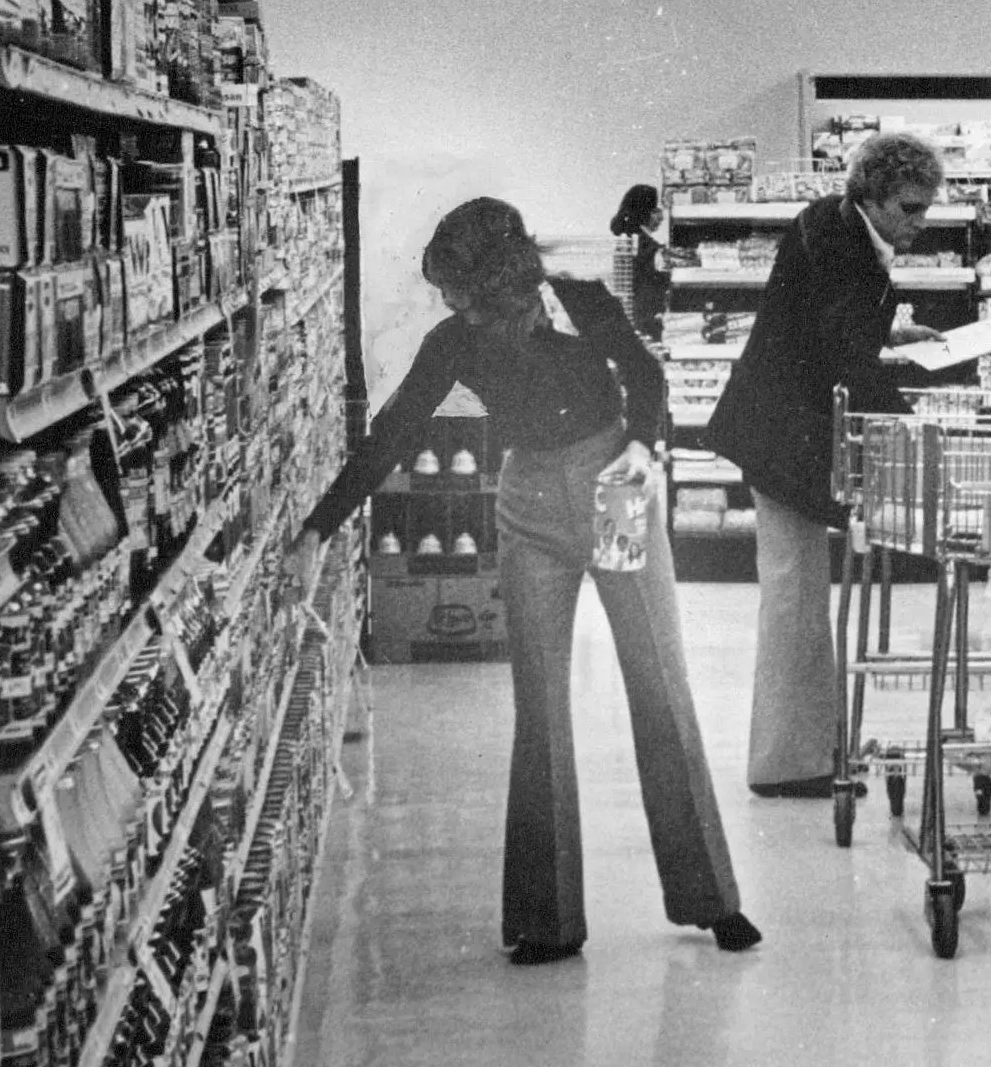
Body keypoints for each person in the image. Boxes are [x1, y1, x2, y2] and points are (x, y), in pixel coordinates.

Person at [288, 197, 759, 964]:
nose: (446, 302)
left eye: (455, 287)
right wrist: (318, 525)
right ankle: (546, 919)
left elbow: (645, 374)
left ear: (496, 278)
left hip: (615, 486)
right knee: (539, 708)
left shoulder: (581, 302)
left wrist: (644, 446)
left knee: (659, 684)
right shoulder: (454, 342)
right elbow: (396, 430)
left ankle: (713, 899)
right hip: (530, 504)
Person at [706, 134, 949, 797]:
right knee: (793, 599)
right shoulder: (850, 253)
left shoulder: (831, 222)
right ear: (871, 195)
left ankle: (809, 750)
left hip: (782, 431)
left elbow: (825, 326)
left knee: (799, 595)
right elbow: (840, 356)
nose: (919, 224)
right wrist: (917, 427)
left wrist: (889, 335)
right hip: (783, 438)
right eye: (910, 209)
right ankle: (788, 765)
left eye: (926, 210)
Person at [609, 183, 670, 340]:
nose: (661, 216)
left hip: (636, 316)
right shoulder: (646, 246)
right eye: (655, 210)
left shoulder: (627, 240)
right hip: (646, 318)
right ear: (644, 212)